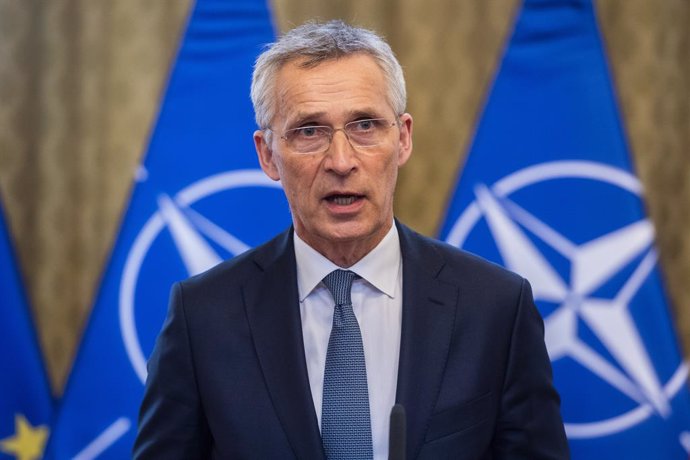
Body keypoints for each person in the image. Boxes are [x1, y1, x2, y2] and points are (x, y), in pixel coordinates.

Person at [133, 20, 569, 459]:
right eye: (309, 131)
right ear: (267, 155)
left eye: (364, 125)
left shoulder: (495, 307)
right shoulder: (204, 316)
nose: (341, 161)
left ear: (402, 139)